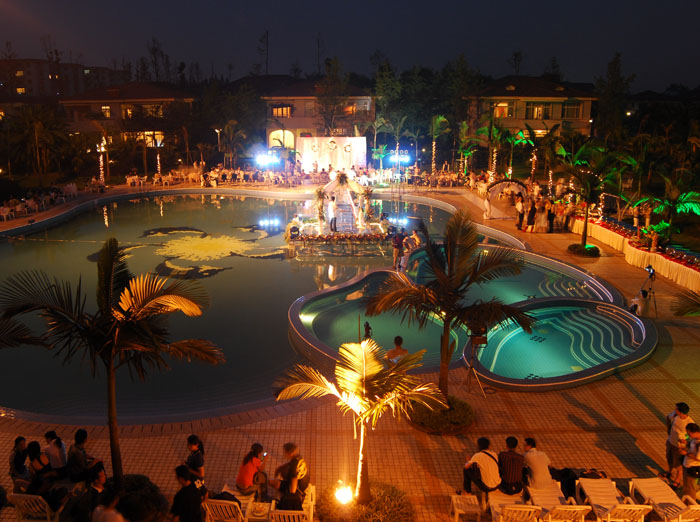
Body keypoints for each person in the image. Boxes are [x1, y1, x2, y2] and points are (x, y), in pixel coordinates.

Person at [270, 443, 310, 511]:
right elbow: (290, 463)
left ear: (288, 453)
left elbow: (294, 479)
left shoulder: (293, 468)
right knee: (282, 478)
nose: (284, 454)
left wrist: (292, 495)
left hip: (298, 488)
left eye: (285, 452)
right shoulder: (298, 457)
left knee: (271, 482)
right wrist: (280, 468)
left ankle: (286, 492)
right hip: (305, 482)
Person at [666, 403, 694, 488]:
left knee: (678, 463)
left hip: (679, 446)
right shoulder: (675, 415)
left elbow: (691, 436)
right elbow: (668, 417)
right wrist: (669, 428)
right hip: (671, 441)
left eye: (676, 409)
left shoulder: (689, 423)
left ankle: (677, 481)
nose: (675, 410)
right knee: (669, 457)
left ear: (681, 412)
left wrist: (684, 441)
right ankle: (669, 472)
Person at [681, 423, 700, 498]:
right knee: (687, 486)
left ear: (694, 432)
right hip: (687, 465)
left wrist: (685, 453)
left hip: (692, 467)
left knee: (690, 488)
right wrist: (686, 443)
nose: (688, 435)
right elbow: (692, 446)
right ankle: (686, 501)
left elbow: (698, 458)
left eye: (689, 433)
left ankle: (691, 505)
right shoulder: (695, 439)